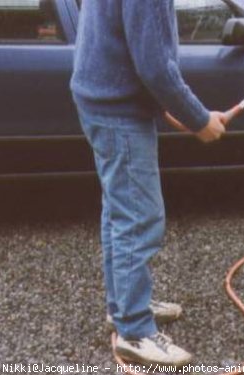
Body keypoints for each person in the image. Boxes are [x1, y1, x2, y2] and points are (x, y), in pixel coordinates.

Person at [70, 0, 226, 366]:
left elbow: (127, 40)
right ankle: (135, 331)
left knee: (120, 210)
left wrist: (174, 111)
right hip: (117, 108)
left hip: (102, 98)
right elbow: (154, 65)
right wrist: (199, 120)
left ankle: (124, 306)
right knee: (138, 218)